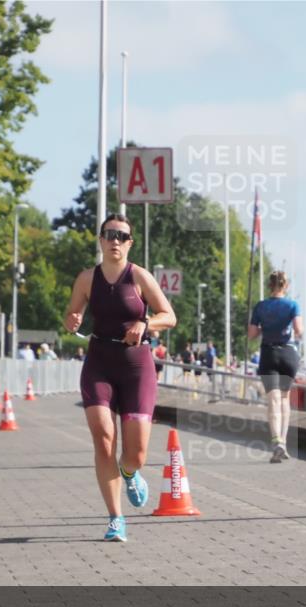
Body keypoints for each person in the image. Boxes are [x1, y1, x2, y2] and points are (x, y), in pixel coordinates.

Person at [63, 214, 176, 542]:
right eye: (109, 235)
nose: (115, 240)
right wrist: (72, 320)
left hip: (136, 367)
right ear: (100, 240)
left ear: (130, 243)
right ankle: (116, 518)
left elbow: (169, 316)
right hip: (99, 362)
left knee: (136, 452)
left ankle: (130, 472)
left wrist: (146, 324)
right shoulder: (87, 279)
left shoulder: (139, 276)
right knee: (103, 439)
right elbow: (72, 316)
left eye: (121, 236)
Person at [248, 270, 304, 463]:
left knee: (273, 399)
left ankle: (276, 441)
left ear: (269, 285)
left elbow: (252, 334)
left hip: (269, 354)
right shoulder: (292, 305)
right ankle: (285, 442)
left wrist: (266, 327)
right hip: (288, 354)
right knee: (285, 399)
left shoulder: (261, 306)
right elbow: (299, 330)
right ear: (285, 286)